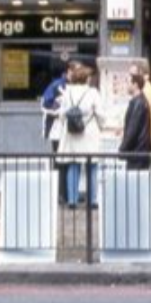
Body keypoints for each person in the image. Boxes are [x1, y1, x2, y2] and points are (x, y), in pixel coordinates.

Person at [54, 65, 106, 209]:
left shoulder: (67, 92)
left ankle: (72, 200)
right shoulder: (93, 92)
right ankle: (92, 200)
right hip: (89, 132)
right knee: (92, 166)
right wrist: (102, 126)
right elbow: (100, 114)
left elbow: (61, 113)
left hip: (72, 132)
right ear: (86, 78)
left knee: (73, 164)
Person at [41, 60, 81, 205]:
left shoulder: (76, 86)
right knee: (60, 163)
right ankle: (60, 194)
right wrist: (60, 111)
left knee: (70, 162)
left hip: (69, 131)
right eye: (77, 71)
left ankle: (68, 194)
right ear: (69, 71)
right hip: (57, 130)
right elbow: (45, 103)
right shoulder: (57, 85)